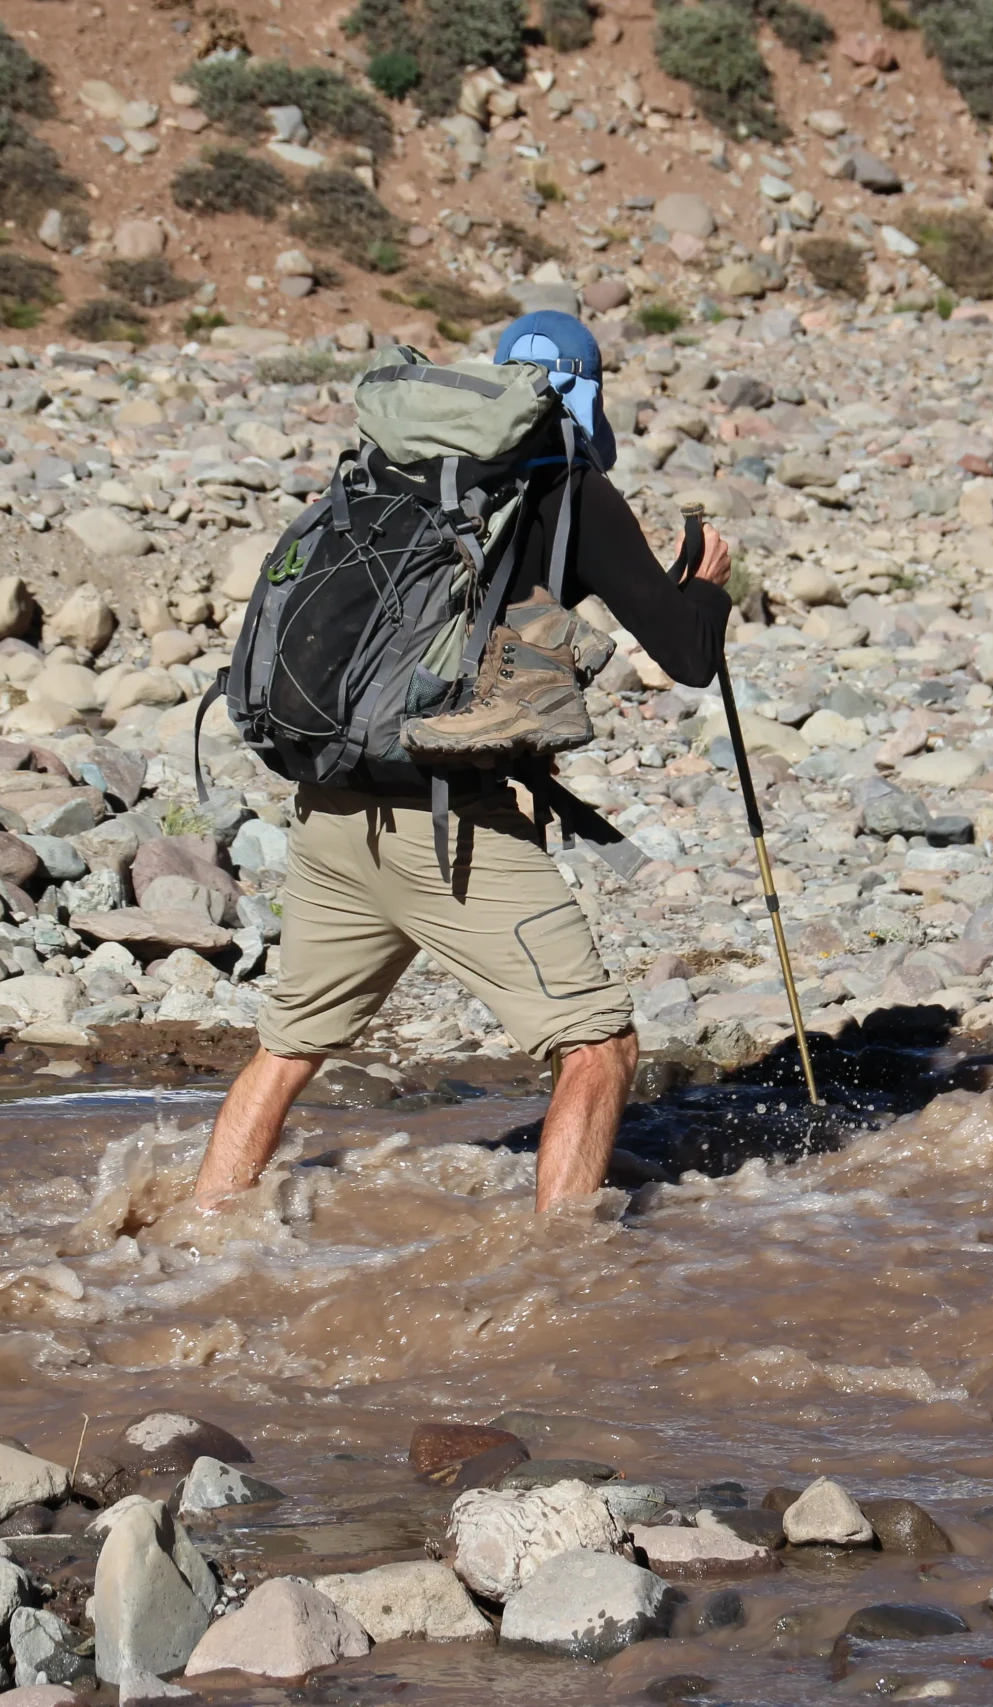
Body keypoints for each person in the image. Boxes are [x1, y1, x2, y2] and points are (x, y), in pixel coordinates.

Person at [194, 312, 735, 1213]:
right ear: (588, 397)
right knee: (599, 1047)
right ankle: (563, 1281)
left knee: (288, 1048)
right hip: (445, 831)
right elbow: (687, 656)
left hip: (330, 802)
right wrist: (706, 592)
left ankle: (188, 1241)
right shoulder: (566, 489)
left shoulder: (394, 473)